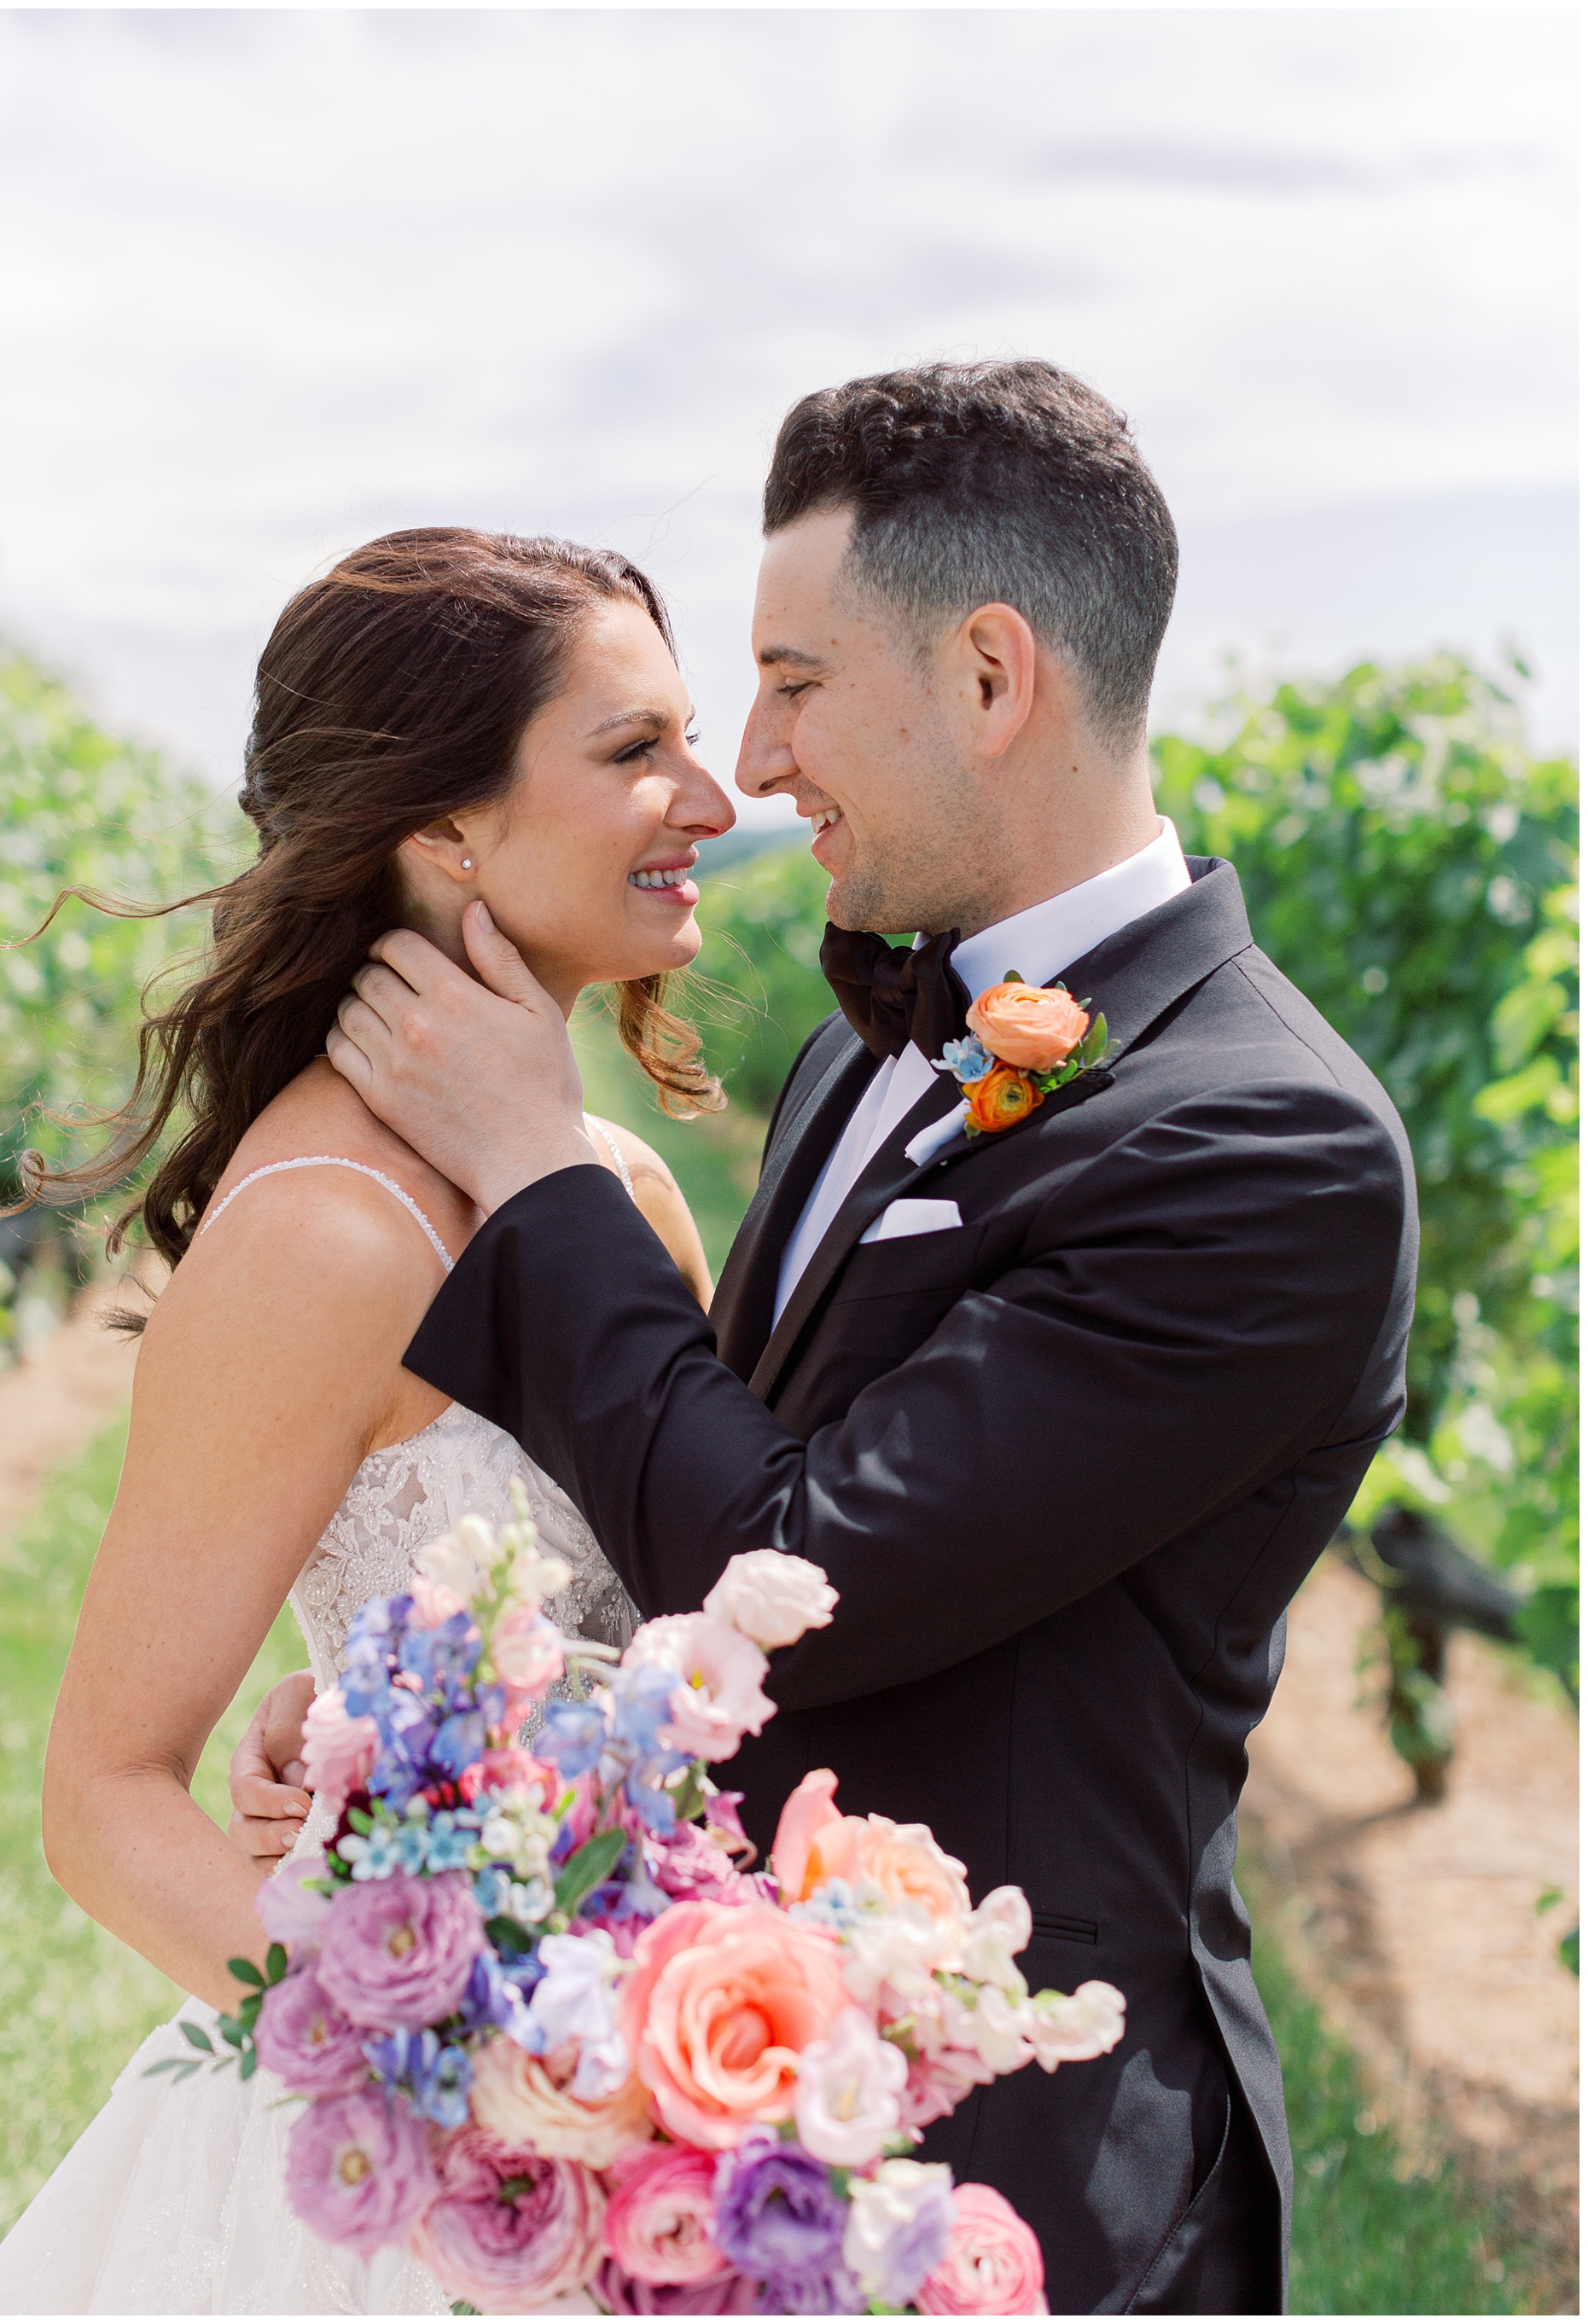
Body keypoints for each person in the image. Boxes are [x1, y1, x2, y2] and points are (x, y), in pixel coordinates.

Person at [285, 363, 1419, 2314]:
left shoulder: (1264, 1147)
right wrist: (421, 1747)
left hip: (1013, 2176)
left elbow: (781, 1573)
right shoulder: (862, 1046)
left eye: (794, 682)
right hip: (729, 2108)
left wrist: (533, 1163)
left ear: (987, 677)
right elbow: (686, 1488)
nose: (754, 758)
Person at [0, 527, 730, 2314]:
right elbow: (104, 1798)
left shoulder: (620, 1191)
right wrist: (470, 2096)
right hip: (425, 2156)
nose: (709, 798)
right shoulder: (326, 1234)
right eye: (636, 749)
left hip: (656, 2067)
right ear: (444, 826)